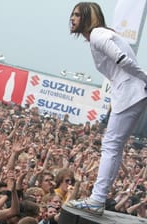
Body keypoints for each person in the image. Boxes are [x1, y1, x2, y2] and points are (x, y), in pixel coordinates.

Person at [66, 2, 147, 216]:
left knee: (111, 145)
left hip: (130, 91)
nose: (71, 19)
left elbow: (123, 60)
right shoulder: (101, 35)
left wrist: (144, 78)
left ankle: (97, 199)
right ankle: (99, 198)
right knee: (115, 146)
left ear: (87, 17)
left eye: (76, 15)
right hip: (132, 92)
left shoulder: (97, 35)